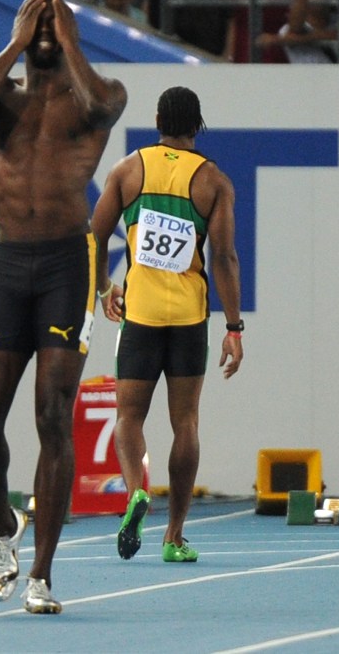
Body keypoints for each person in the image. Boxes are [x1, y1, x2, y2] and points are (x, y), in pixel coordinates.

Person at [0, 0, 127, 614]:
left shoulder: (94, 94)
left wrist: (68, 37)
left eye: (56, 21)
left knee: (52, 414)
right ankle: (3, 526)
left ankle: (42, 577)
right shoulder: (1, 96)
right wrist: (17, 44)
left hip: (67, 264)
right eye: (37, 20)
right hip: (8, 263)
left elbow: (106, 106)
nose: (47, 29)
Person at [90, 86, 242, 564]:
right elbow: (225, 258)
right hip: (189, 318)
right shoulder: (213, 181)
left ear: (157, 120)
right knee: (186, 422)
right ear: (198, 126)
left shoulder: (128, 169)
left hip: (141, 314)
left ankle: (137, 490)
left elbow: (94, 234)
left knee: (129, 416)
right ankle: (174, 536)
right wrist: (235, 328)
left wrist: (102, 289)